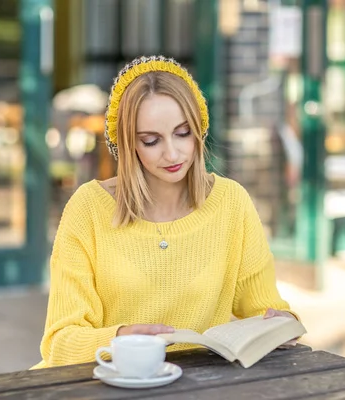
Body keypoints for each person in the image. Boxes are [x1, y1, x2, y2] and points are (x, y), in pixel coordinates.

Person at [32, 55, 298, 369]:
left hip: (196, 387)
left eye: (183, 133)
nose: (172, 153)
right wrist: (121, 337)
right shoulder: (88, 208)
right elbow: (59, 344)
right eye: (151, 140)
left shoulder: (231, 203)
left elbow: (264, 309)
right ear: (129, 144)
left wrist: (281, 323)